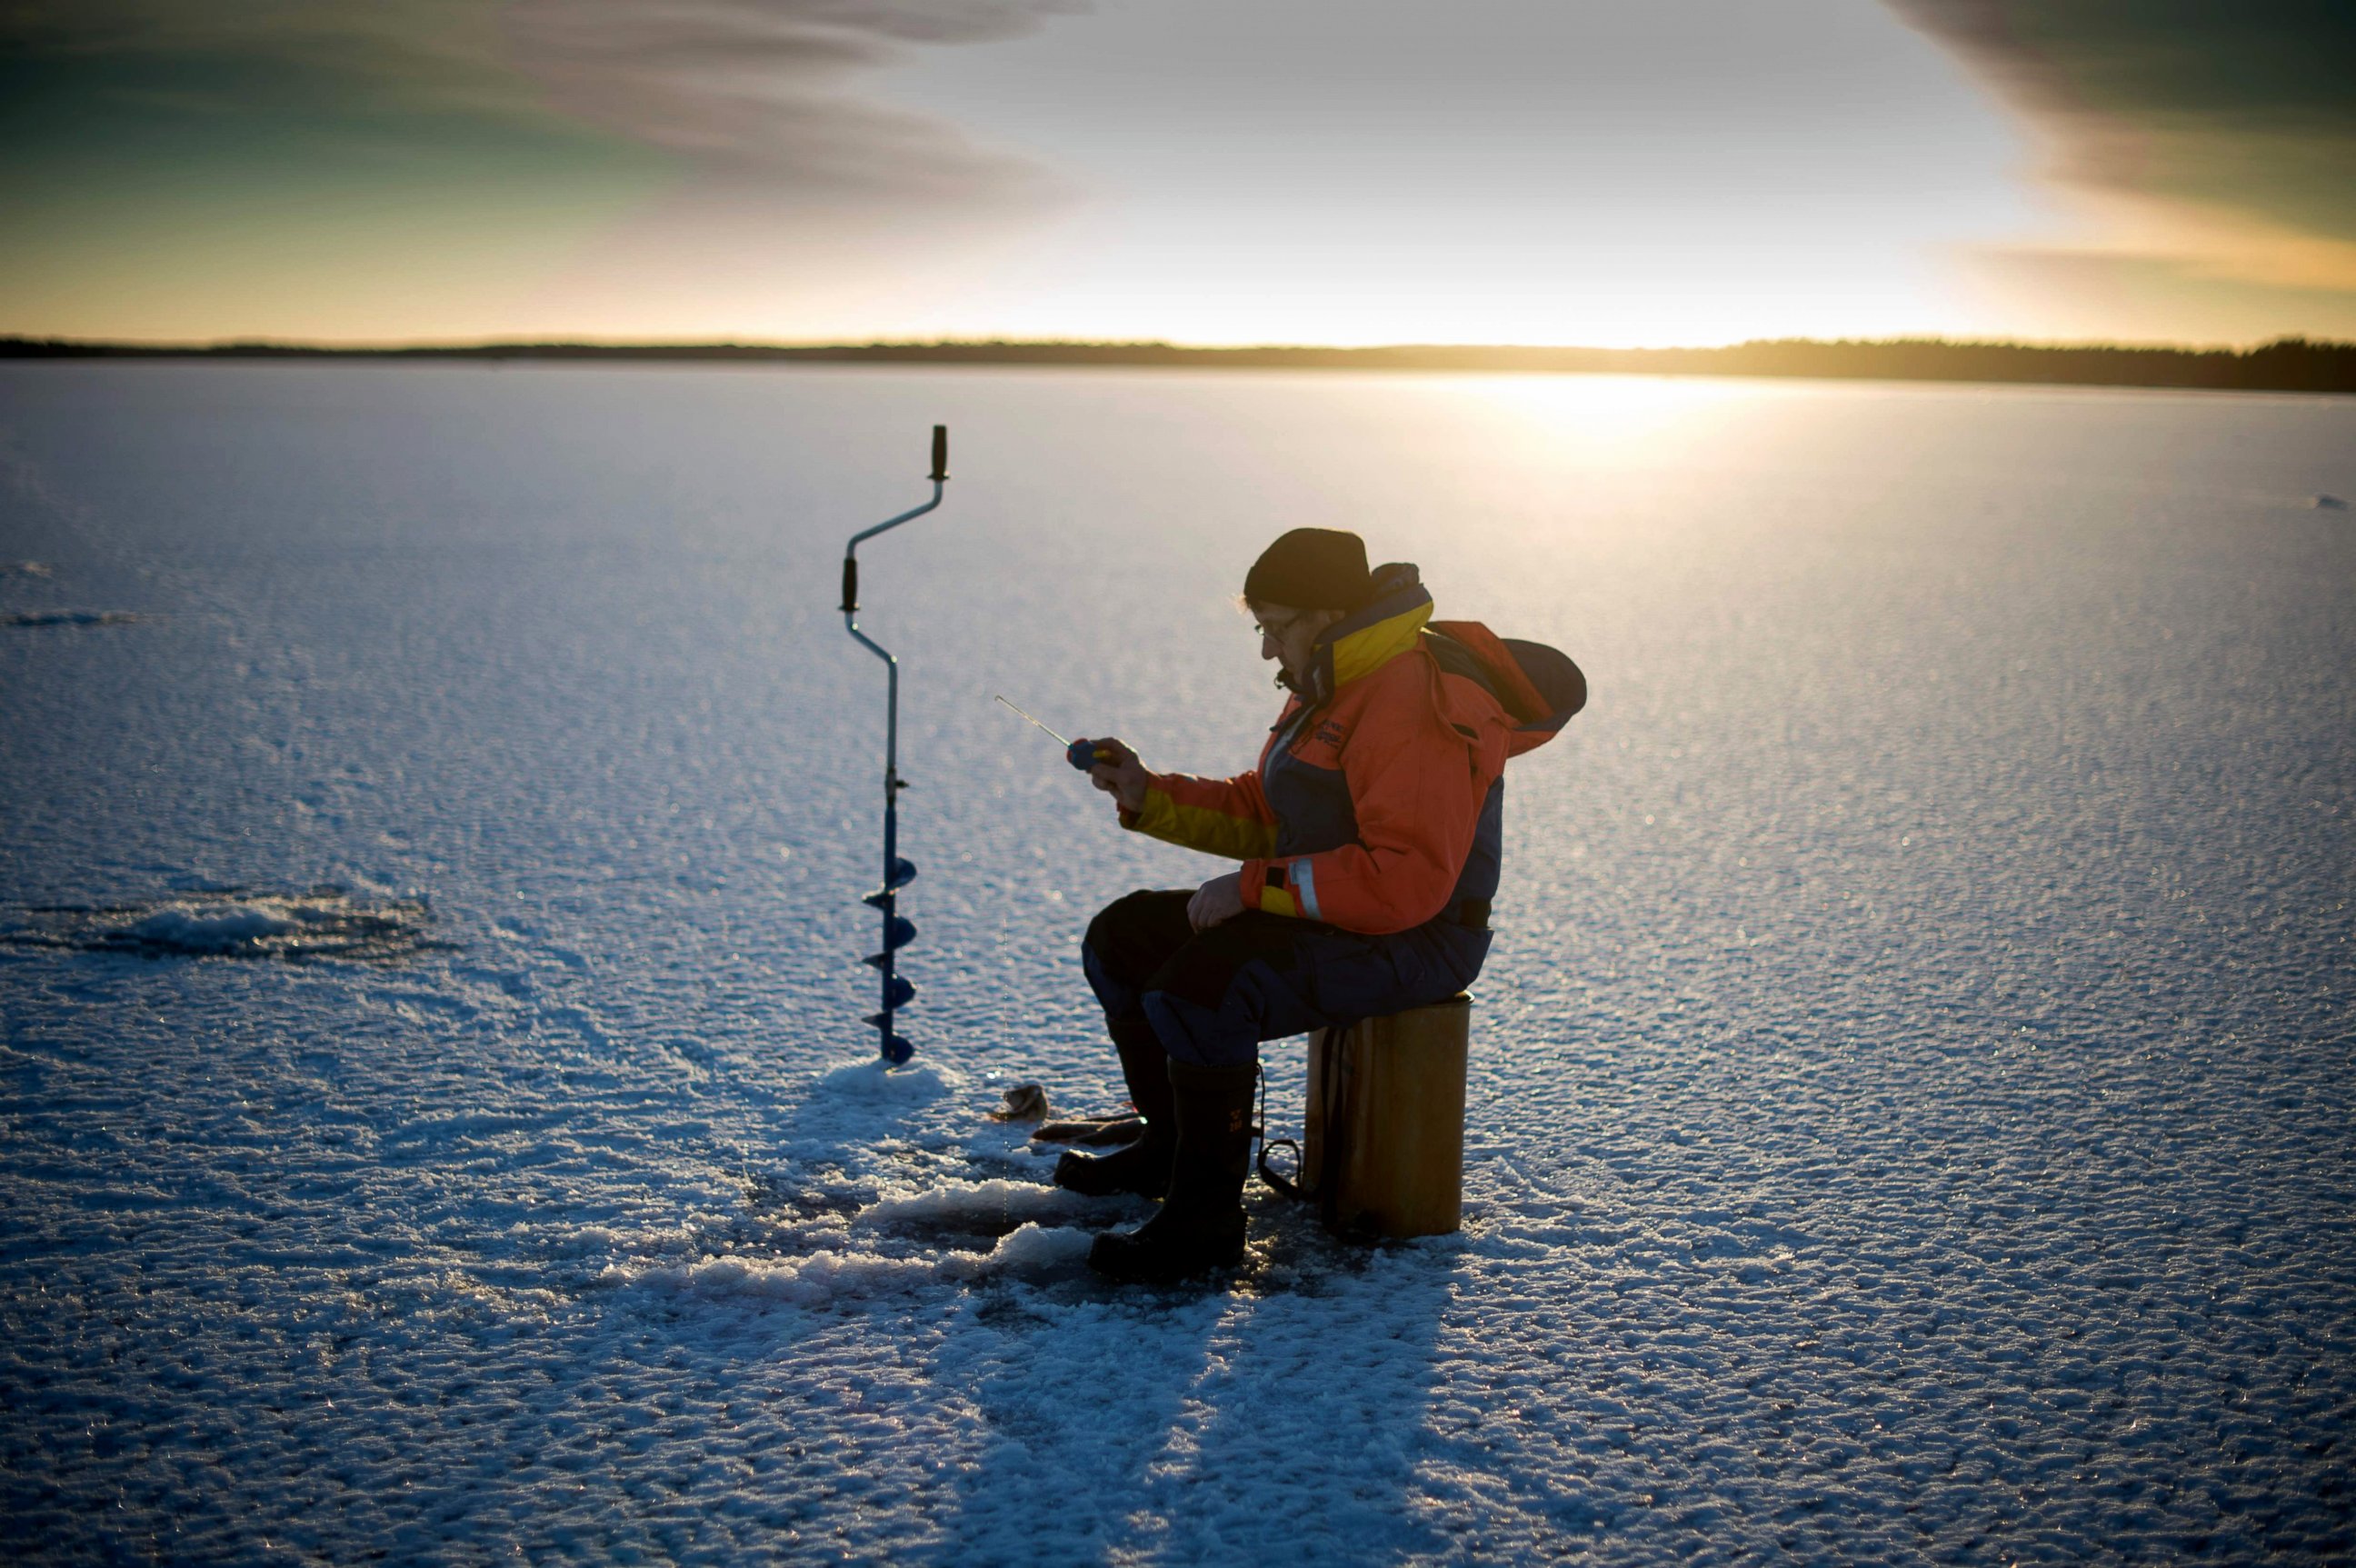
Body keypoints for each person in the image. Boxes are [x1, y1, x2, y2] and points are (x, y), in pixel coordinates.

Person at [1061, 526, 1582, 1283]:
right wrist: (1150, 793)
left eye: (1275, 627)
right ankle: (1170, 1153)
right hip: (1341, 910)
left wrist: (1247, 888)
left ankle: (1204, 1225)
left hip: (1419, 937)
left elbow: (1403, 883)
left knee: (1204, 991)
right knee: (1122, 940)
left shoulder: (1410, 696)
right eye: (1261, 628)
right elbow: (1276, 815)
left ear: (1327, 614)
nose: (1268, 650)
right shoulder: (1335, 683)